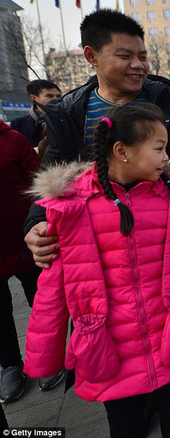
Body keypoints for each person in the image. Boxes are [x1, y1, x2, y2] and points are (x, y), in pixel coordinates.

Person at [22, 9, 170, 437]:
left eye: (143, 55)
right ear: (91, 56)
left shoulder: (169, 103)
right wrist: (36, 224)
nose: (139, 64)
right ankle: (140, 401)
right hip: (105, 257)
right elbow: (53, 181)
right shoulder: (68, 114)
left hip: (168, 243)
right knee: (117, 337)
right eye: (125, 55)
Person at [0, 119, 65, 403]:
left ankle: (50, 356)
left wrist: (37, 225)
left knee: (42, 301)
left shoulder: (12, 139)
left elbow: (41, 188)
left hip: (25, 241)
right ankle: (10, 365)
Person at [10, 80, 61, 152]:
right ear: (33, 98)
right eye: (50, 96)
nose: (56, 99)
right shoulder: (18, 124)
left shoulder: (67, 119)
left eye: (58, 96)